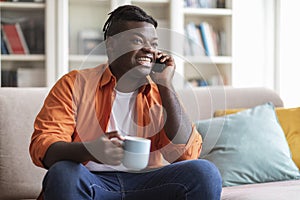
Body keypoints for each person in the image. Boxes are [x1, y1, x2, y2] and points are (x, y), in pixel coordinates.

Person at [29, 5, 222, 200]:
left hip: (146, 183)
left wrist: (165, 84)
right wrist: (91, 150)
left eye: (154, 44)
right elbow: (44, 147)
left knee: (204, 172)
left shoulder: (159, 91)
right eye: (138, 40)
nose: (149, 49)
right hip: (92, 182)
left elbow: (187, 155)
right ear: (111, 45)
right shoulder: (74, 84)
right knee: (63, 173)